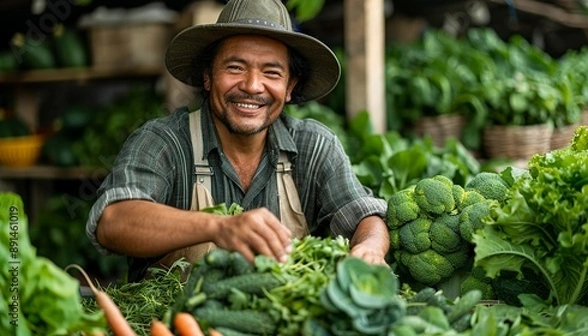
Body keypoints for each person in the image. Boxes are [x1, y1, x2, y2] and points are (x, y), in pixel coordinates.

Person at [86, 0, 389, 282]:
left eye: (271, 72)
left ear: (289, 87)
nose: (252, 86)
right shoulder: (164, 142)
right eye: (235, 67)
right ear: (208, 77)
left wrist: (371, 247)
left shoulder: (314, 146)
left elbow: (362, 214)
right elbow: (113, 222)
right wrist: (219, 226)